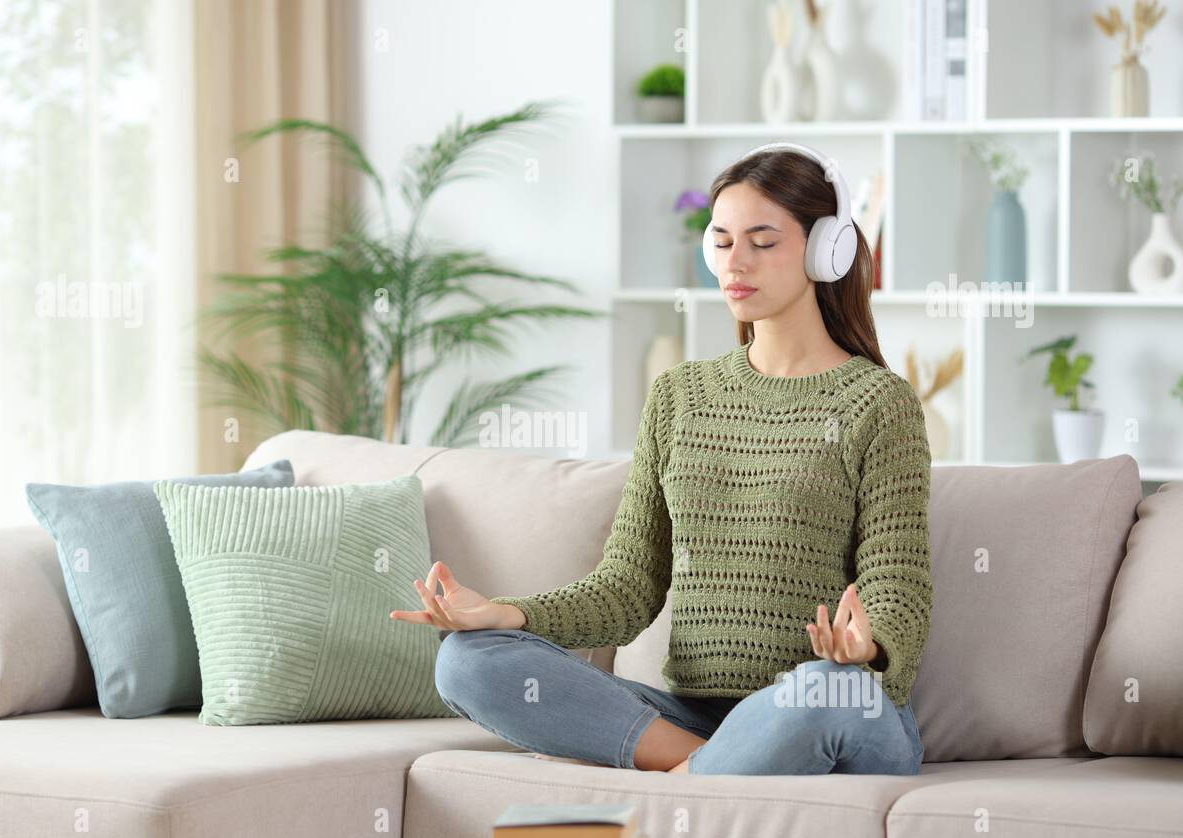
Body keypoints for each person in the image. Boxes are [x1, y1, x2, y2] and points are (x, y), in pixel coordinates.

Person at [389, 144, 932, 776]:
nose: (737, 262)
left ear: (824, 251)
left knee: (823, 692)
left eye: (763, 241)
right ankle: (714, 767)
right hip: (689, 716)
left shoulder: (879, 403)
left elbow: (900, 585)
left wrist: (867, 647)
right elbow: (627, 587)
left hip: (827, 705)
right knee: (467, 659)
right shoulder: (680, 397)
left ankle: (697, 773)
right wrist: (505, 614)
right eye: (723, 242)